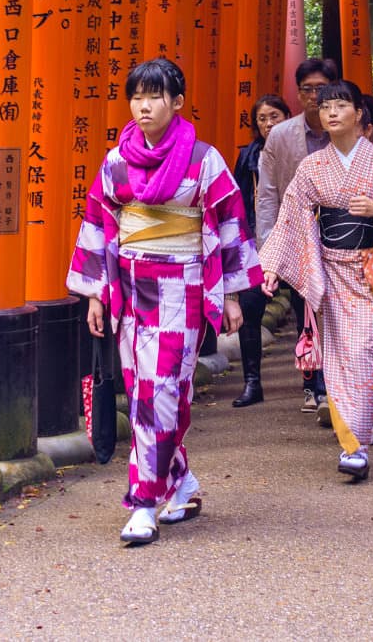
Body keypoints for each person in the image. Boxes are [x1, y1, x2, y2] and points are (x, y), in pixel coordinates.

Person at [67, 57, 262, 547]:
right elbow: (98, 225)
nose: (144, 106)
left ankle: (143, 503)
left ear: (177, 102)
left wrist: (234, 293)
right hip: (131, 288)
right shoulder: (115, 161)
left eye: (155, 96)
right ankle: (182, 483)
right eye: (137, 96)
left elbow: (232, 223)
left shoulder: (204, 159)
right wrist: (95, 292)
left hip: (183, 286)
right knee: (142, 395)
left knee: (163, 392)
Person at [259, 82, 373, 481]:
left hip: (368, 270)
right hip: (328, 269)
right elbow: (292, 216)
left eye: (340, 105)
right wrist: (272, 266)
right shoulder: (312, 167)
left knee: (366, 351)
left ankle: (359, 441)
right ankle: (352, 443)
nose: (331, 112)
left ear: (359, 113)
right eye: (324, 106)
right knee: (336, 356)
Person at [255, 56, 341, 412]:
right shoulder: (281, 135)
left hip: (340, 235)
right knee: (305, 309)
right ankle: (313, 383)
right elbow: (268, 193)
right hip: (297, 236)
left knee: (337, 311)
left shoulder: (345, 128)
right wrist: (267, 247)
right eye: (307, 89)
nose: (314, 96)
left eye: (321, 88)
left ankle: (336, 383)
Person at [230, 94, 290, 408]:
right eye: (262, 118)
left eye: (274, 116)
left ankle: (315, 382)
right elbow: (238, 201)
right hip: (258, 243)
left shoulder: (300, 149)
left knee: (311, 311)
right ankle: (252, 382)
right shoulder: (248, 155)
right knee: (250, 310)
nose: (267, 123)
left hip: (297, 241)